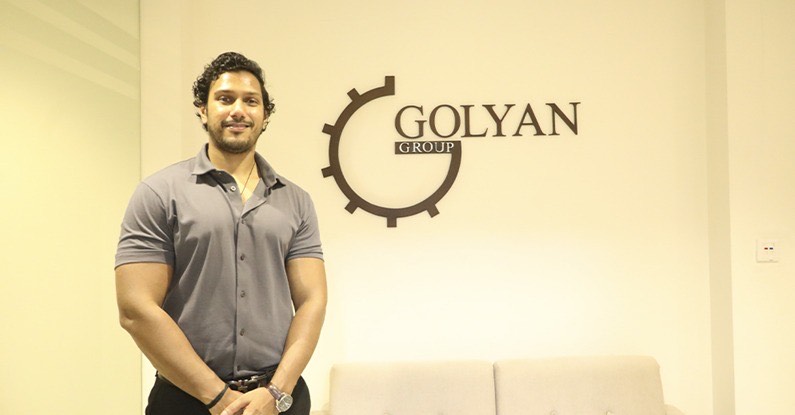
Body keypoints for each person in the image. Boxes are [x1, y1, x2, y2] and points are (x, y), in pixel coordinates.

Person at [115, 51, 327, 415]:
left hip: (277, 400)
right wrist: (217, 397)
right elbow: (136, 308)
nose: (238, 110)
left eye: (251, 101)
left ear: (265, 115)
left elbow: (312, 300)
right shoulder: (159, 193)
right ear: (203, 109)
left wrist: (276, 392)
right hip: (185, 400)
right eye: (225, 99)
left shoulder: (296, 201)